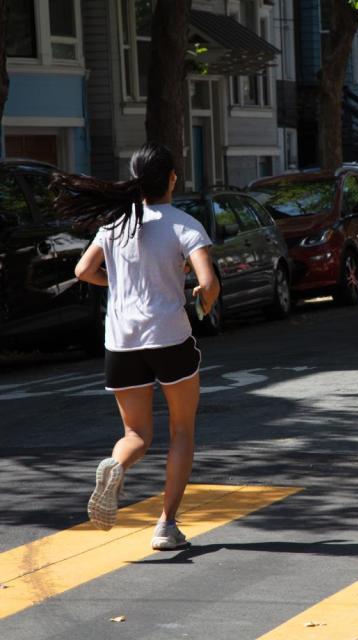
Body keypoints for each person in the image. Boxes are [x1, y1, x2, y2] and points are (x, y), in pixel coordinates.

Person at [51, 142, 220, 551]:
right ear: (173, 178)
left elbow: (82, 270)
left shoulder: (114, 225)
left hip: (121, 340)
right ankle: (166, 525)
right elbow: (209, 284)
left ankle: (116, 464)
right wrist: (201, 302)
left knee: (136, 434)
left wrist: (120, 284)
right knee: (181, 431)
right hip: (169, 337)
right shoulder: (184, 224)